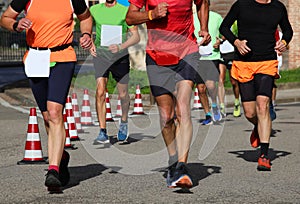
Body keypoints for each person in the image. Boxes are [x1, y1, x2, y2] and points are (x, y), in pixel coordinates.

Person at [0, 0, 92, 192]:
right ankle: (61, 157)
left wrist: (86, 34)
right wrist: (16, 25)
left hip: (63, 57)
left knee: (55, 111)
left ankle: (53, 169)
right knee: (47, 117)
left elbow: (86, 17)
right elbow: (5, 18)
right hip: (36, 58)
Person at [126, 0, 211, 188]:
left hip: (186, 51)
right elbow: (130, 17)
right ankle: (173, 159)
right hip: (157, 56)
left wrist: (203, 28)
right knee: (167, 117)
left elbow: (203, 2)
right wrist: (151, 15)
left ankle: (182, 166)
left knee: (182, 108)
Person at [220, 0, 293, 171]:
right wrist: (236, 42)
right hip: (244, 63)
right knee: (250, 112)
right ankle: (257, 126)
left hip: (267, 61)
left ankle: (264, 155)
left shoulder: (278, 7)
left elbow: (288, 30)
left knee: (263, 105)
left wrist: (284, 42)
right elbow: (224, 27)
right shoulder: (241, 5)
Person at [89, 0, 140, 144]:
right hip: (101, 56)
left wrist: (121, 46)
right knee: (100, 91)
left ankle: (123, 122)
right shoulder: (94, 9)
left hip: (120, 57)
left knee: (123, 95)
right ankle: (102, 131)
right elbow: (86, 28)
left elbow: (136, 37)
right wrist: (90, 43)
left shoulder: (125, 11)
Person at [194, 7, 223, 122]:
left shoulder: (216, 17)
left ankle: (214, 104)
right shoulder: (191, 17)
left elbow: (224, 33)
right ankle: (207, 114)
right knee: (200, 88)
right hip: (197, 57)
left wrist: (219, 41)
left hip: (212, 56)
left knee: (210, 85)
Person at [219, 21, 241, 117]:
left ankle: (237, 102)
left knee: (233, 81)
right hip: (221, 54)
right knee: (220, 80)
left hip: (232, 53)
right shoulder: (219, 24)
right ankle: (222, 105)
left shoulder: (235, 24)